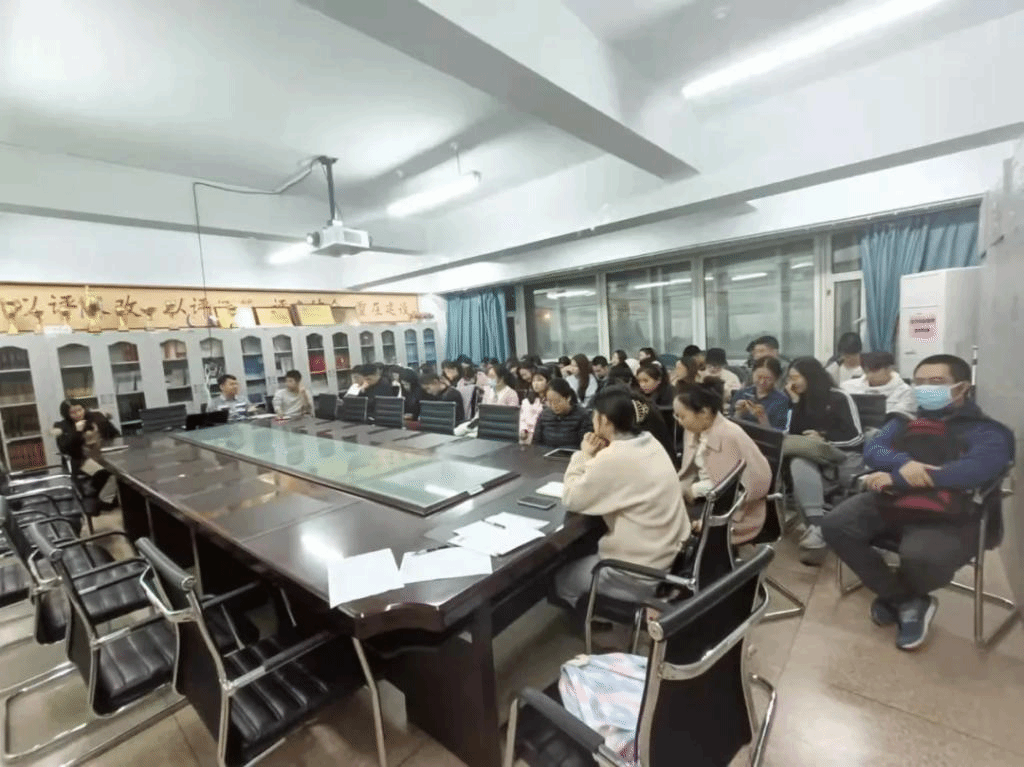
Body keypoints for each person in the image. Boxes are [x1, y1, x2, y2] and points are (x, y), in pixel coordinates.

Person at [821, 354, 1014, 651]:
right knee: (836, 524)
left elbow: (971, 471)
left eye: (936, 382)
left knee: (922, 556)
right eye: (920, 382)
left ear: (962, 387)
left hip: (949, 513)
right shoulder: (906, 421)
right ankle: (905, 600)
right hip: (893, 501)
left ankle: (898, 596)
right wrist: (904, 462)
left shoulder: (987, 431)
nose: (925, 389)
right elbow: (874, 450)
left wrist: (898, 477)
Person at [554, 386, 689, 607]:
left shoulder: (614, 457)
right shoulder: (650, 441)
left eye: (594, 416)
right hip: (668, 558)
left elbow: (571, 498)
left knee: (561, 579)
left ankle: (597, 620)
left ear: (605, 420)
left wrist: (584, 454)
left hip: (635, 574)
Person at [784, 357, 862, 566]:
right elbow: (795, 435)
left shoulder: (839, 397)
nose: (791, 383)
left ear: (810, 376)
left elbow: (856, 437)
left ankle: (816, 527)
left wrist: (824, 438)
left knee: (797, 457)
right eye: (789, 378)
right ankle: (818, 526)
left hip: (843, 455)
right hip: (814, 455)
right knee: (798, 459)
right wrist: (796, 403)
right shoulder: (801, 400)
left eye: (795, 378)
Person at [674, 381, 773, 544]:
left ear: (704, 412)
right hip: (709, 496)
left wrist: (695, 490)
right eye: (676, 416)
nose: (679, 421)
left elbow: (733, 487)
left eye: (682, 416)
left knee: (674, 527)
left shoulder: (728, 436)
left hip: (737, 509)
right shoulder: (696, 429)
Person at [55, 399, 120, 508]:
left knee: (122, 472)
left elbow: (115, 434)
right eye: (73, 412)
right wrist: (77, 432)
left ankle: (115, 499)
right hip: (81, 462)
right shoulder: (61, 426)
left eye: (80, 410)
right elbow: (64, 448)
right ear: (66, 414)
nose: (78, 414)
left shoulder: (96, 417)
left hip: (103, 456)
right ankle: (104, 501)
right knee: (108, 473)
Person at [842, 351, 917, 418]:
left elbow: (898, 419)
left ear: (889, 369)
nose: (870, 375)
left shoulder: (905, 392)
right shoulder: (848, 387)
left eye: (874, 371)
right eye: (867, 371)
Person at [731, 357, 790, 431]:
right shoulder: (742, 393)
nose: (762, 382)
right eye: (759, 377)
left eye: (768, 379)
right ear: (753, 374)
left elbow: (779, 432)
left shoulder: (781, 400)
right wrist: (739, 413)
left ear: (776, 378)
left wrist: (762, 417)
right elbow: (730, 425)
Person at [534, 378, 593, 449]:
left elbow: (585, 446)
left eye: (557, 401)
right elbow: (536, 443)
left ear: (568, 398)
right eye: (550, 402)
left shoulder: (583, 416)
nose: (554, 406)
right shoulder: (544, 415)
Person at [519, 367, 552, 443]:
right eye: (533, 380)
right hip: (527, 437)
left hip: (544, 437)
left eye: (540, 380)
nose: (536, 383)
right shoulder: (527, 401)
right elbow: (523, 419)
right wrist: (523, 430)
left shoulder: (552, 401)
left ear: (548, 382)